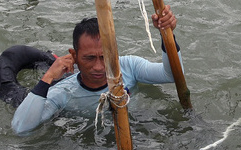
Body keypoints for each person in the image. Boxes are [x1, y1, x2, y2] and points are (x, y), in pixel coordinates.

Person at [10, 9, 180, 134]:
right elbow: (21, 128)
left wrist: (167, 35)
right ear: (74, 56)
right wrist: (48, 77)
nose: (98, 67)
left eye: (105, 57)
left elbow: (171, 75)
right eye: (89, 58)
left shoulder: (128, 66)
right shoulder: (64, 93)